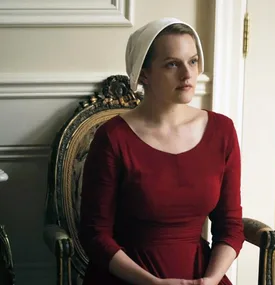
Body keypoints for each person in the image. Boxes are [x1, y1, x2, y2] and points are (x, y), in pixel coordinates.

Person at [79, 17, 245, 285]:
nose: (187, 74)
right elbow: (95, 235)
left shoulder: (221, 131)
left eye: (192, 61)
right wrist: (151, 283)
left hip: (202, 279)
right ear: (144, 73)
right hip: (128, 278)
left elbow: (230, 227)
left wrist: (212, 280)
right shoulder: (112, 137)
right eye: (172, 64)